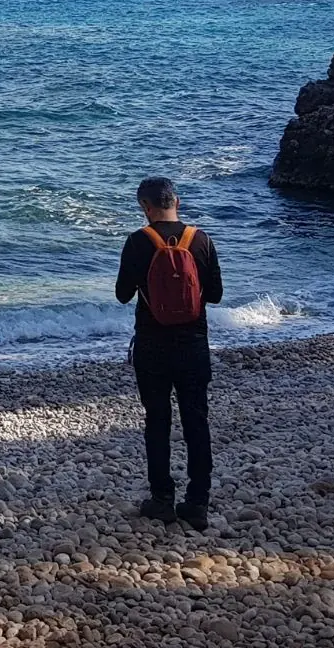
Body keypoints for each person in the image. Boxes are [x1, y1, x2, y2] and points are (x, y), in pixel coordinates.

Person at [114, 176, 223, 529]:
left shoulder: (137, 242)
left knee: (157, 421)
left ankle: (162, 499)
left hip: (152, 345)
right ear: (176, 201)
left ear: (145, 207)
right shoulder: (201, 240)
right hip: (193, 343)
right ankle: (198, 503)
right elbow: (217, 294)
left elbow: (122, 294)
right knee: (197, 421)